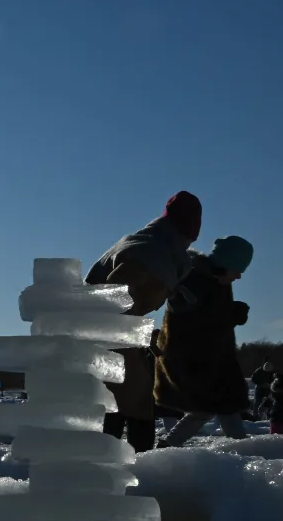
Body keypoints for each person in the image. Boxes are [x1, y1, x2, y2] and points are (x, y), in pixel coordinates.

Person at [84, 191, 202, 452]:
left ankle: (125, 464)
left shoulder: (152, 246)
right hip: (109, 340)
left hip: (114, 338)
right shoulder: (148, 253)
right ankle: (123, 467)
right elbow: (113, 295)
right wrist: (136, 332)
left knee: (128, 407)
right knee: (123, 409)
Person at [153, 236, 254, 447]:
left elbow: (210, 320)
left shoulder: (214, 281)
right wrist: (229, 315)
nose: (239, 276)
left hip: (213, 359)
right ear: (225, 264)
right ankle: (243, 448)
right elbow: (191, 323)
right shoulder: (195, 280)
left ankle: (169, 443)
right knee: (220, 407)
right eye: (237, 269)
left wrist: (230, 314)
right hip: (195, 361)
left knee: (211, 408)